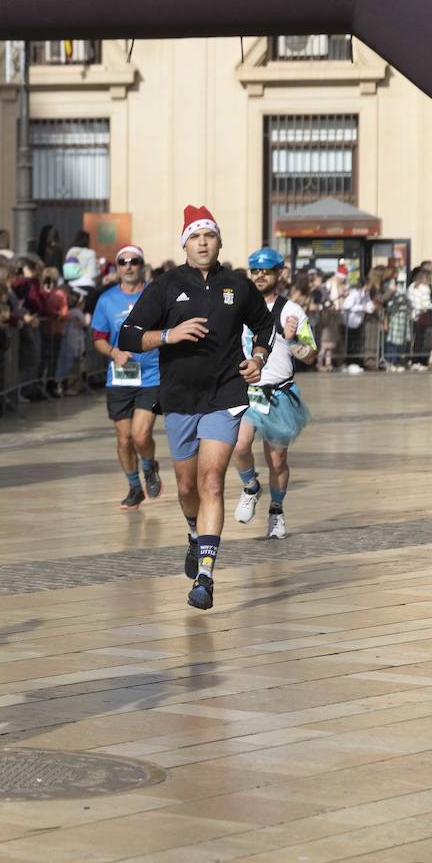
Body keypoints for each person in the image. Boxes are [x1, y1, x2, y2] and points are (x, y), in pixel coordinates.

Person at [117, 206, 272, 611]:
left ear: (220, 242)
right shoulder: (166, 286)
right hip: (180, 398)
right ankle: (192, 532)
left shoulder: (238, 285)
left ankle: (205, 576)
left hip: (226, 394)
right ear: (184, 243)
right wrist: (169, 334)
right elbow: (129, 336)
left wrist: (257, 358)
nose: (203, 243)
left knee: (212, 483)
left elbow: (264, 325)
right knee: (187, 488)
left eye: (210, 236)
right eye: (195, 237)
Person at [232, 249, 316, 540]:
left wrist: (292, 341)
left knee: (277, 460)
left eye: (266, 271)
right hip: (246, 391)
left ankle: (276, 510)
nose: (259, 276)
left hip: (278, 394)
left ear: (279, 273)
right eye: (255, 271)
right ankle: (250, 487)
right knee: (239, 446)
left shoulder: (291, 310)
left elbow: (310, 356)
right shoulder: (239, 307)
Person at [91, 245, 163, 509]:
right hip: (120, 378)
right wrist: (113, 352)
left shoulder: (155, 295)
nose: (128, 266)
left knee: (141, 435)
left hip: (152, 376)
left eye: (134, 261)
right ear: (117, 267)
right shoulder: (106, 300)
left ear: (142, 265)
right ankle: (134, 487)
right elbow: (98, 337)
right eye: (123, 262)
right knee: (123, 439)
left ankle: (149, 466)